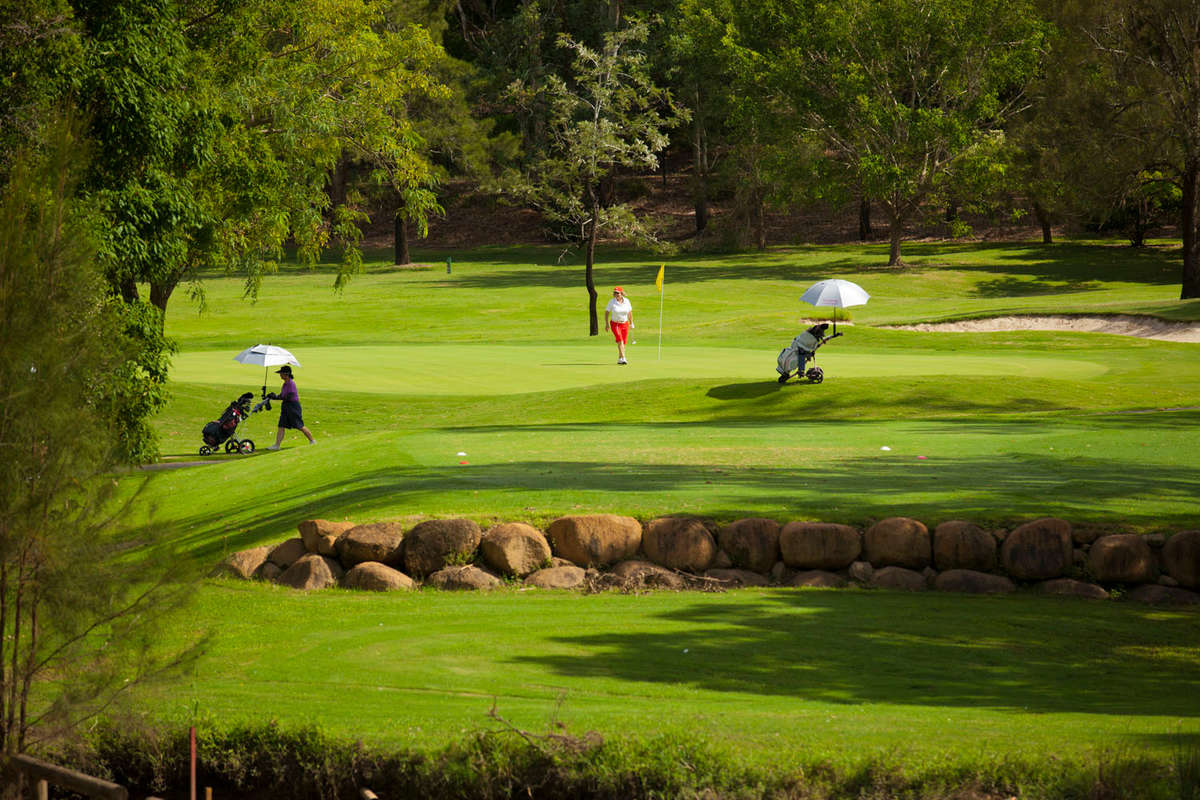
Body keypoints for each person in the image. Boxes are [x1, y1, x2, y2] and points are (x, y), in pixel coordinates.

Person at [266, 365, 315, 450]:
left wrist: (277, 397)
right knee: (281, 425)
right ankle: (277, 445)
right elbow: (282, 396)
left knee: (299, 425)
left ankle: (312, 441)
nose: (280, 375)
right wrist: (274, 396)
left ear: (286, 374)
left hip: (293, 407)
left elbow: (289, 397)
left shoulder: (291, 384)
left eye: (281, 373)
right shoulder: (285, 384)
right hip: (286, 406)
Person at [604, 286, 634, 364]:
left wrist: (631, 323)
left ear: (621, 293)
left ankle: (620, 358)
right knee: (619, 340)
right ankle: (624, 358)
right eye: (615, 293)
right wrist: (607, 324)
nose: (616, 294)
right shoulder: (612, 302)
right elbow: (607, 313)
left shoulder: (627, 301)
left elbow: (630, 313)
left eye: (617, 293)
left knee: (623, 342)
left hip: (624, 323)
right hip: (615, 324)